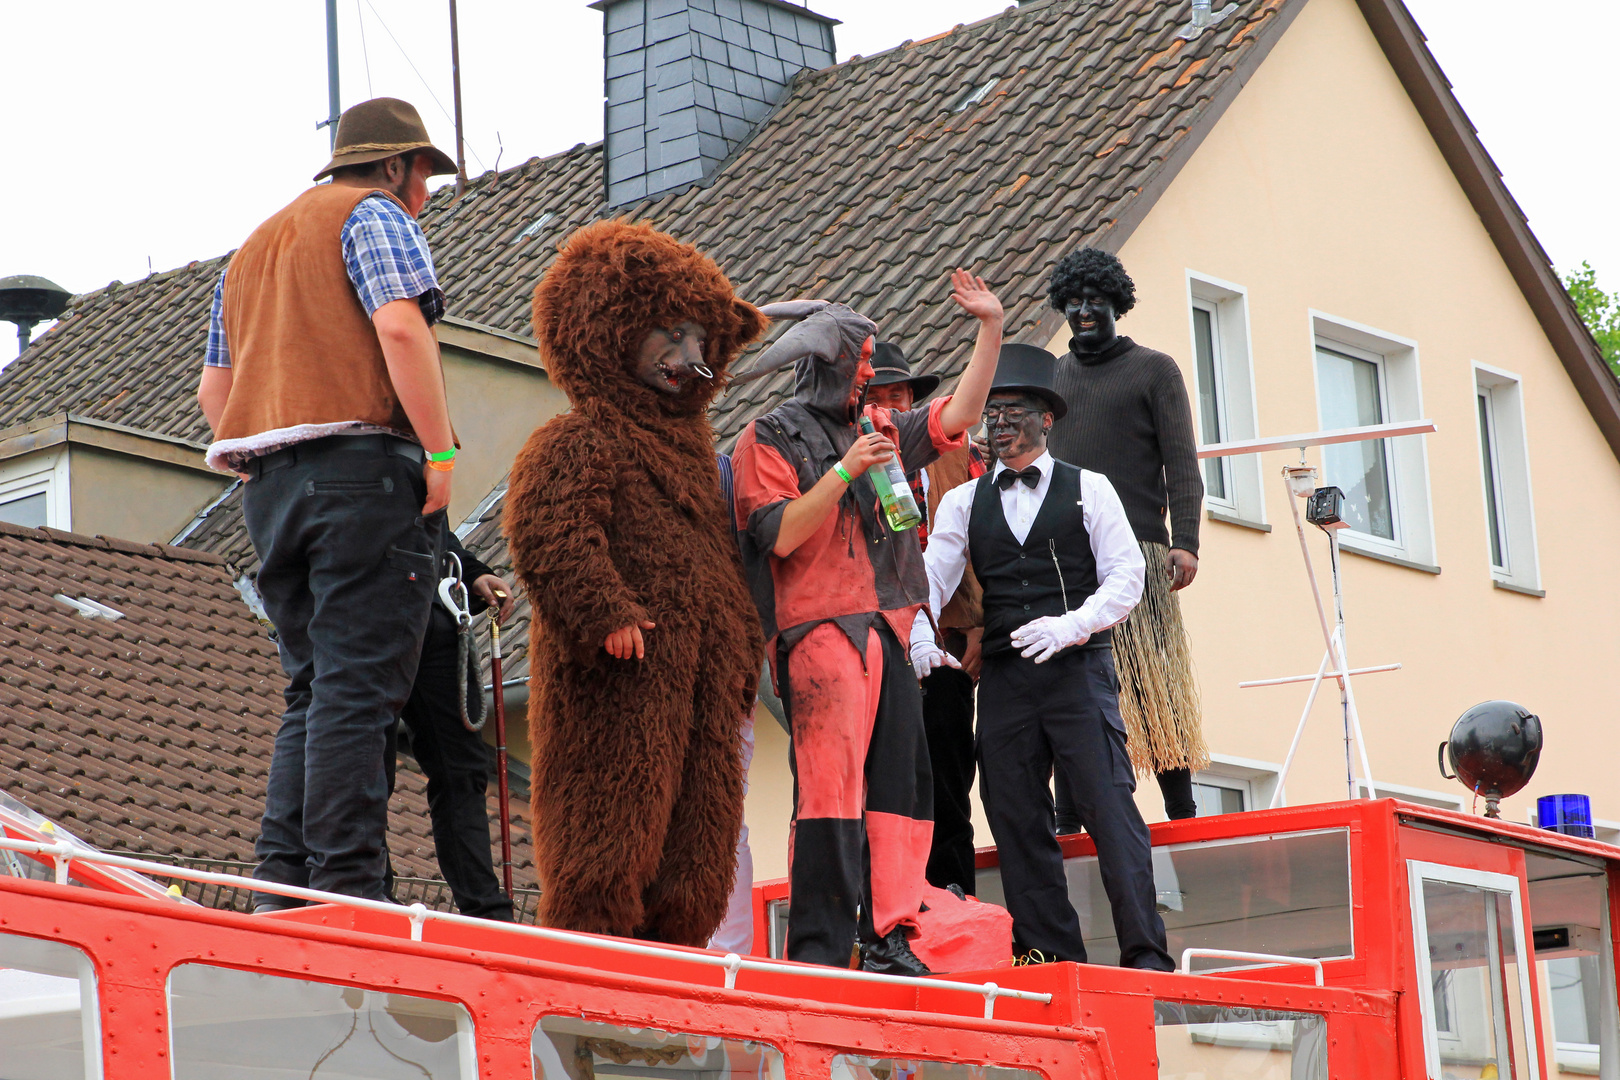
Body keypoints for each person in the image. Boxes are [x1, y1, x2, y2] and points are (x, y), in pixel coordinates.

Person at [195, 98, 460, 909]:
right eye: (422, 175)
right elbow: (402, 330)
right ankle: (346, 895)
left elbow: (215, 390)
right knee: (357, 690)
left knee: (312, 689)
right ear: (393, 166)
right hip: (362, 474)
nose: (424, 195)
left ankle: (282, 889)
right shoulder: (373, 215)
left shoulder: (252, 251)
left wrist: (277, 464)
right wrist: (440, 448)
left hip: (270, 489)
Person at [504, 221, 766, 947]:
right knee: (609, 843)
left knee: (696, 854)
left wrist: (741, 646)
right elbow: (550, 534)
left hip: (703, 688)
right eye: (667, 337)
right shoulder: (580, 436)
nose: (688, 358)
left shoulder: (691, 454)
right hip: (620, 682)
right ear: (609, 334)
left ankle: (672, 994)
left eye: (696, 340)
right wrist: (605, 612)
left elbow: (717, 563)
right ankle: (592, 1004)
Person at [732, 271, 1002, 974]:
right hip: (818, 631)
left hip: (887, 630)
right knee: (829, 795)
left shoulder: (876, 428)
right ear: (827, 363)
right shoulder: (766, 437)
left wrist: (991, 329)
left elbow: (956, 415)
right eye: (860, 362)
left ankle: (889, 936)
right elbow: (782, 534)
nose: (870, 377)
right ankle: (820, 951)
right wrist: (847, 470)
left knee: (900, 794)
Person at [915, 344, 1173, 970]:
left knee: (1108, 806)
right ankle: (1050, 955)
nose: (998, 425)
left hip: (1079, 672)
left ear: (1046, 419)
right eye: (992, 414)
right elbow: (923, 584)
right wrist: (920, 635)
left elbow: (1127, 576)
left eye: (1013, 412)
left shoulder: (1092, 489)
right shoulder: (962, 502)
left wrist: (1073, 624)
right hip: (1004, 677)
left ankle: (1145, 953)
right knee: (1012, 815)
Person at [1044, 248, 1209, 823]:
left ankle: (1182, 816)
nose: (1084, 311)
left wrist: (1184, 541)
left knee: (1155, 688)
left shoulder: (1155, 370)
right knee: (1073, 693)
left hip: (1139, 554)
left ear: (1117, 305)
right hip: (1066, 559)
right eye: (1075, 302)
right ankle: (1070, 827)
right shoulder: (1051, 378)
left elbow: (1181, 462)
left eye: (1096, 301)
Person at [864, 343, 986, 897]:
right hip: (878, 644)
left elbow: (992, 538)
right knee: (886, 787)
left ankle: (956, 900)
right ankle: (894, 912)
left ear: (914, 401)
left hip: (949, 643)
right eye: (878, 397)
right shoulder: (849, 455)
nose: (890, 407)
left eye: (899, 396)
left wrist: (983, 622)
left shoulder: (963, 455)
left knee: (950, 782)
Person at [390, 532, 517, 921]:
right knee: (366, 759)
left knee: (462, 768)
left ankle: (486, 911)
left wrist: (473, 571)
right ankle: (366, 887)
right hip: (368, 601)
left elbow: (433, 522)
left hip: (434, 610)